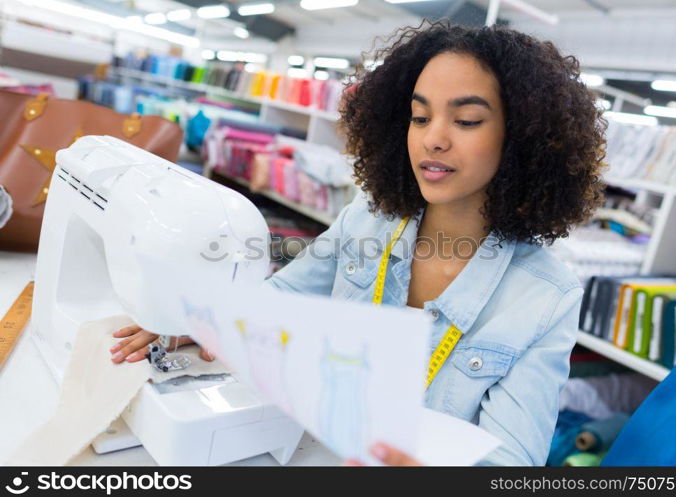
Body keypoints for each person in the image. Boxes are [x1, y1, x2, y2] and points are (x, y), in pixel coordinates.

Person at [110, 20, 606, 466]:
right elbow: (283, 298)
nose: (433, 138)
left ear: (522, 137)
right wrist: (207, 321)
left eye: (466, 120)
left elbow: (512, 463)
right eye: (419, 116)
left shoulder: (545, 297)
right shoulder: (368, 220)